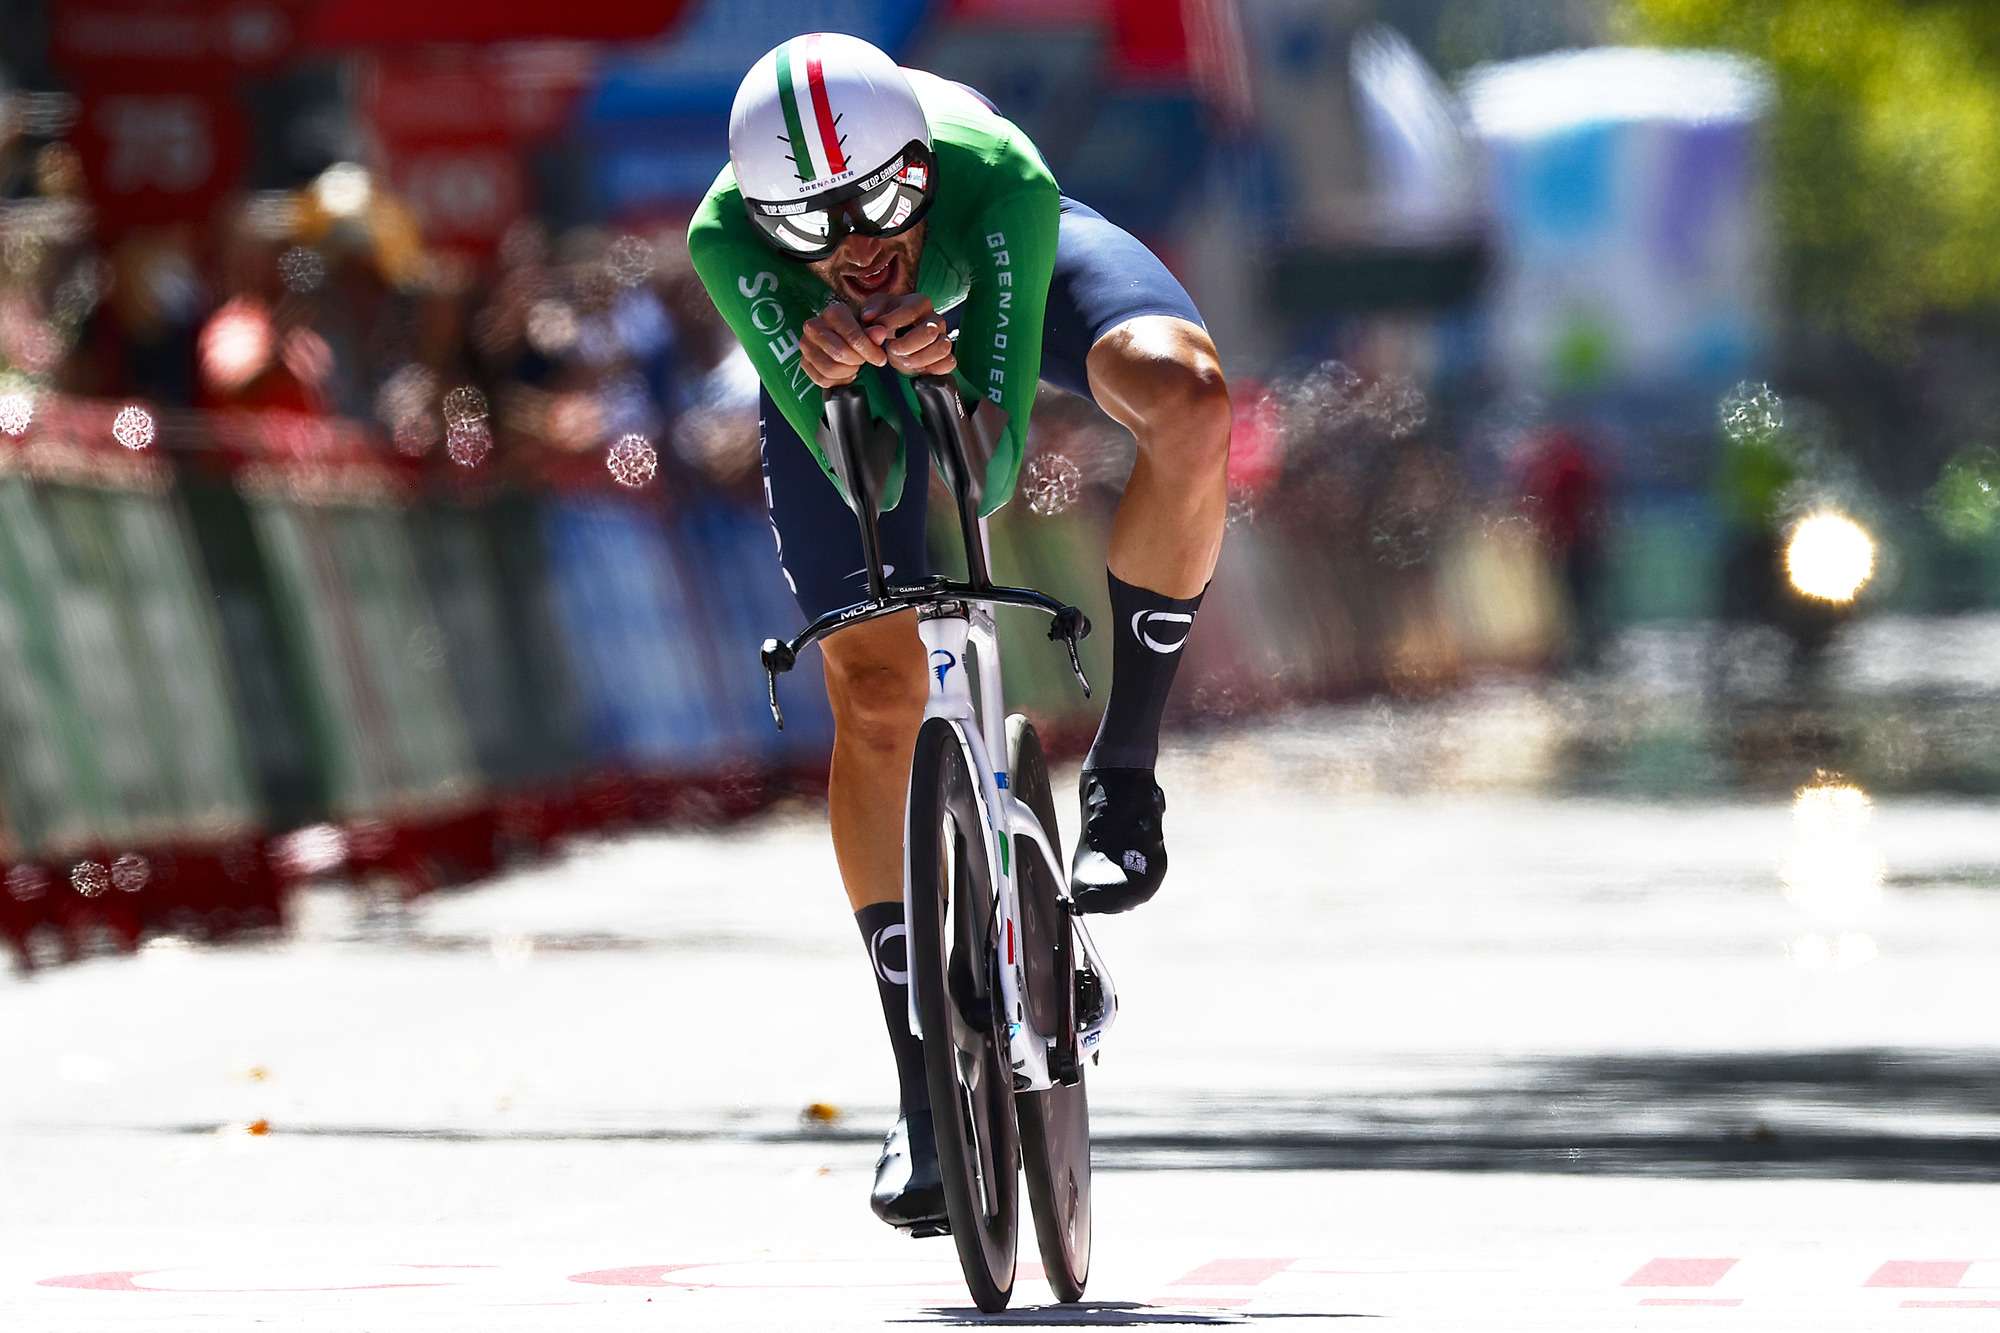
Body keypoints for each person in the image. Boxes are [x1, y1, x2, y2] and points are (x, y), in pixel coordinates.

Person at [687, 33, 1230, 1232]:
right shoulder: (730, 240)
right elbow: (874, 477)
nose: (855, 245)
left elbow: (983, 475)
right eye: (812, 227)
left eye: (882, 201)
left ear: (920, 166)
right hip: (845, 360)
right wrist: (841, 374)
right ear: (762, 219)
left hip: (992, 278)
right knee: (874, 690)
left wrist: (936, 346)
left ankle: (1126, 781)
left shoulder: (991, 176)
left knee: (1186, 398)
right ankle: (920, 1090)